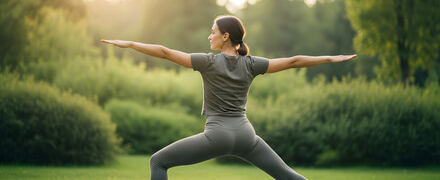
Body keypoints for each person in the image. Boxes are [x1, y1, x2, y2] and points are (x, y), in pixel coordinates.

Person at [101, 15, 356, 180]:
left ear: (225, 36)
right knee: (288, 176)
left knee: (159, 161)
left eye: (213, 32)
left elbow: (165, 52)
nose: (209, 36)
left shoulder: (208, 62)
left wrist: (131, 44)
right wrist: (330, 58)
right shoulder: (252, 64)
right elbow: (293, 61)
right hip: (246, 135)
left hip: (218, 135)